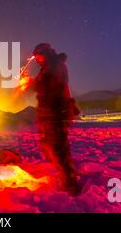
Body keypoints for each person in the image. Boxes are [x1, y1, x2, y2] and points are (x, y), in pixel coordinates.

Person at [23, 43, 81, 195]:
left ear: (44, 53)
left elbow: (49, 86)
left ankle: (70, 184)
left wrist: (30, 83)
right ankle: (68, 175)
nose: (36, 60)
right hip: (51, 112)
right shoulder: (50, 66)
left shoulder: (54, 65)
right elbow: (45, 85)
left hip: (56, 112)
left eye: (38, 56)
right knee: (50, 145)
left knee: (57, 147)